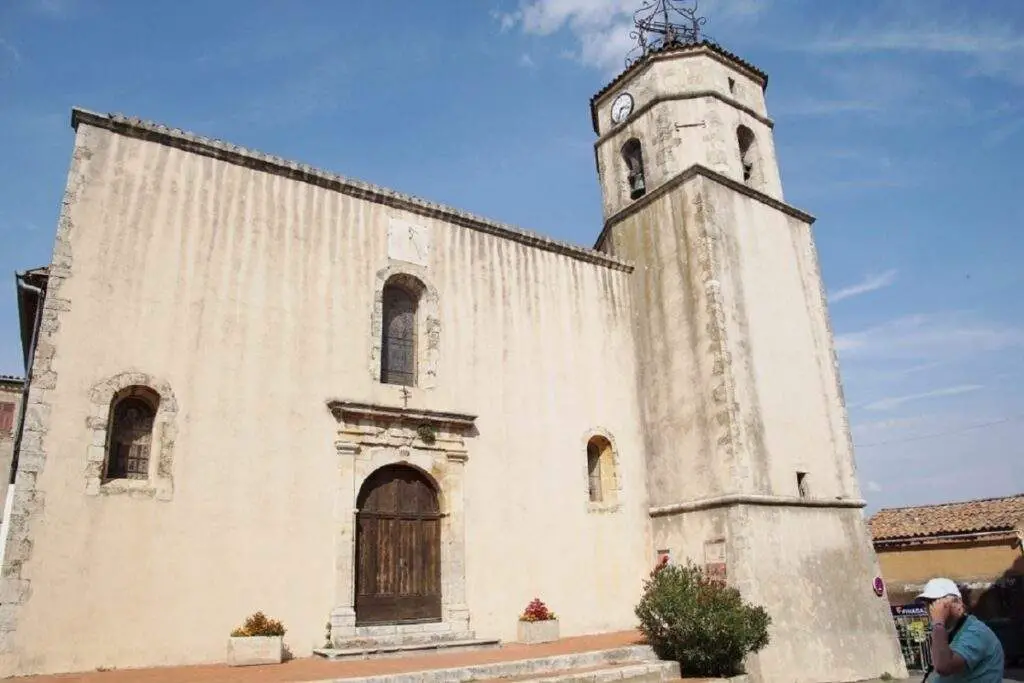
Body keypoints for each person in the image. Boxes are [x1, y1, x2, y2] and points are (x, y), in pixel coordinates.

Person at [918, 577, 1004, 682]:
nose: (931, 609)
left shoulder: (976, 632)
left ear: (958, 603)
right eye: (927, 603)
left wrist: (938, 623)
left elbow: (944, 667)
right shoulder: (951, 631)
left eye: (937, 603)